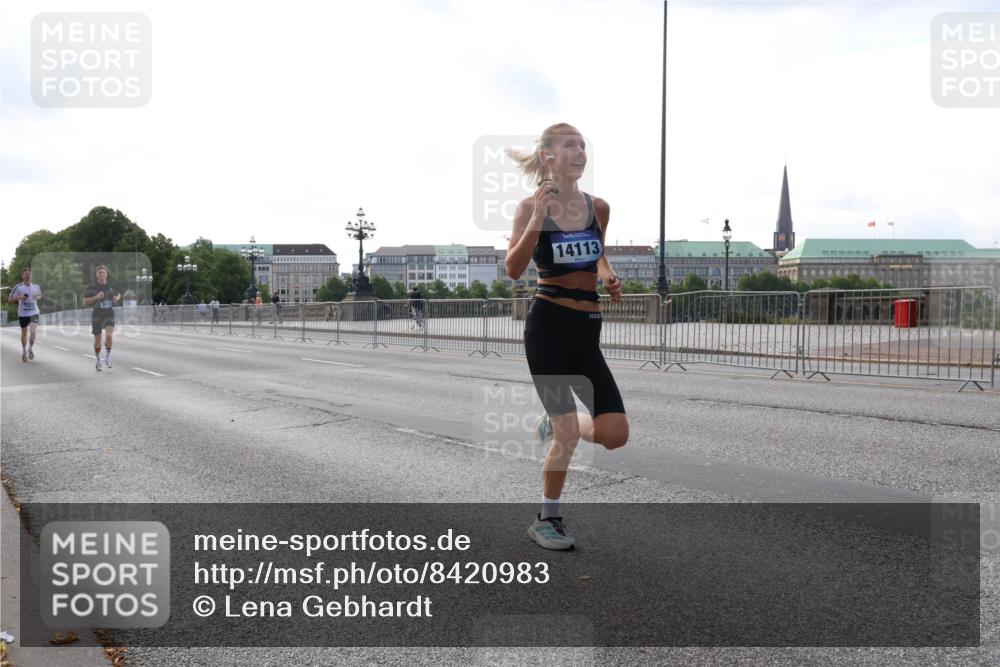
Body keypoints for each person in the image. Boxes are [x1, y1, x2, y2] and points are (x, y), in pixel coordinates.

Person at [505, 123, 629, 550]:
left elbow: (598, 252)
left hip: (587, 331)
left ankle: (557, 423)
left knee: (615, 435)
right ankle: (546, 519)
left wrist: (608, 274)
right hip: (549, 329)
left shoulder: (599, 208)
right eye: (569, 146)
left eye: (582, 146)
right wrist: (538, 218)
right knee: (568, 438)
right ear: (547, 156)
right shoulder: (527, 208)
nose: (579, 152)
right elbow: (514, 269)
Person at [82, 265, 121, 371]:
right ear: (96, 275)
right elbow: (85, 301)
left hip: (109, 314)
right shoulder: (92, 287)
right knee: (98, 339)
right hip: (97, 315)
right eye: (100, 272)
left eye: (104, 272)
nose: (102, 274)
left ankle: (108, 356)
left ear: (106, 274)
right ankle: (98, 359)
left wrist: (116, 298)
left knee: (109, 335)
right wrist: (96, 297)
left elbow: (118, 294)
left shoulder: (110, 286)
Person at [8, 267, 42, 362]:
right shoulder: (18, 287)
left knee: (33, 331)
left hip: (34, 312)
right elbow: (9, 300)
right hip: (23, 313)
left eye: (29, 274)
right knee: (24, 334)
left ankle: (30, 348)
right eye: (26, 274)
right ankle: (24, 351)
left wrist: (37, 297)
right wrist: (20, 297)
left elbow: (40, 295)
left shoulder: (36, 286)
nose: (27, 276)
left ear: (31, 276)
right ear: (23, 276)